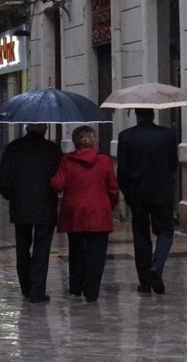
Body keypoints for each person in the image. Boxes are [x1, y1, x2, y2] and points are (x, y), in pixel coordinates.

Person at [50, 126, 119, 303]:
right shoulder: (104, 161)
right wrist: (109, 206)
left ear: (75, 141)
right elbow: (113, 188)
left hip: (75, 214)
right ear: (94, 140)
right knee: (97, 254)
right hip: (99, 213)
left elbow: (57, 185)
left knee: (76, 251)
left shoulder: (67, 161)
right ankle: (92, 291)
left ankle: (76, 286)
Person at [0, 123, 62, 304]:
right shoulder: (53, 150)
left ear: (27, 128)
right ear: (45, 129)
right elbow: (60, 178)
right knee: (42, 248)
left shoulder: (13, 148)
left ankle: (26, 286)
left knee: (22, 247)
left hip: (21, 205)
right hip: (45, 205)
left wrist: (12, 196)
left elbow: (2, 179)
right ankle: (37, 290)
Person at [117, 108, 178, 295]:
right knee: (166, 231)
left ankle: (144, 283)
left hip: (137, 194)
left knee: (141, 236)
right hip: (162, 193)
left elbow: (122, 171)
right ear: (153, 115)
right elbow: (173, 165)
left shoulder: (126, 136)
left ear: (137, 115)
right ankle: (156, 267)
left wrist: (127, 194)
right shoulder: (167, 135)